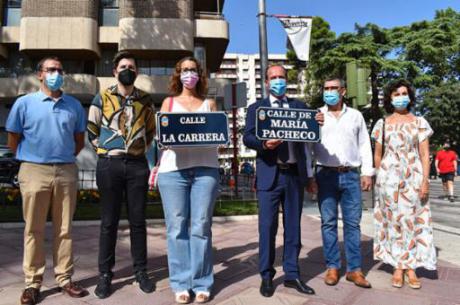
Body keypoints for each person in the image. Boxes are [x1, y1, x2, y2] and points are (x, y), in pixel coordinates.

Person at [6, 56, 88, 305]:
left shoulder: (73, 105)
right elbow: (13, 138)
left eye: (60, 70)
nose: (56, 73)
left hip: (65, 170)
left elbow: (79, 141)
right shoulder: (24, 103)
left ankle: (65, 278)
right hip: (33, 171)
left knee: (65, 229)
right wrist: (32, 157)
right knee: (34, 229)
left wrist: (60, 158)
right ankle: (33, 283)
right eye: (51, 69)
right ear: (40, 74)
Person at [243, 64, 323, 298]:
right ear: (266, 82)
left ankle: (292, 274)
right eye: (273, 77)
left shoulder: (300, 107)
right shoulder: (257, 108)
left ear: (286, 80)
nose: (278, 81)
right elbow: (247, 136)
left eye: (281, 77)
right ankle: (266, 276)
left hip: (293, 176)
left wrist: (317, 120)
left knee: (293, 228)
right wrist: (263, 143)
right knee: (267, 228)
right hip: (270, 174)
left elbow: (309, 141)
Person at [87, 51, 155, 299]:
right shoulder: (102, 97)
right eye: (124, 66)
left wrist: (137, 152)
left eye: (133, 67)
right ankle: (105, 274)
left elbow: (151, 132)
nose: (128, 70)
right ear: (115, 71)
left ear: (137, 72)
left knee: (138, 221)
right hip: (109, 165)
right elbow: (91, 130)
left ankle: (141, 271)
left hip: (137, 166)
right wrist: (106, 152)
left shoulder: (146, 100)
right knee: (109, 222)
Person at [157, 56, 219, 304]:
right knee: (176, 229)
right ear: (177, 74)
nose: (189, 74)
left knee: (201, 227)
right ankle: (181, 283)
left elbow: (218, 136)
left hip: (206, 170)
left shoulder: (210, 104)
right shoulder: (168, 103)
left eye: (193, 70)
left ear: (199, 74)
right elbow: (161, 137)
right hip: (173, 172)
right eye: (184, 70)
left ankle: (202, 281)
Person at [372, 79, 436, 289]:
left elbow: (425, 154)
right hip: (388, 182)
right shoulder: (382, 124)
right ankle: (398, 266)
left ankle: (412, 267)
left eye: (404, 93)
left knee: (413, 220)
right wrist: (382, 178)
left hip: (413, 179)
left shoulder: (420, 122)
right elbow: (378, 155)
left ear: (409, 97)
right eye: (396, 94)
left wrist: (425, 181)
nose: (400, 97)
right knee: (392, 222)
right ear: (390, 98)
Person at [313, 77, 373, 289]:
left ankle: (354, 270)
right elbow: (307, 146)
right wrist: (310, 177)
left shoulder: (356, 116)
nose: (329, 92)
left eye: (333, 88)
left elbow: (364, 144)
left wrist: (367, 172)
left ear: (343, 91)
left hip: (351, 175)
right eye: (326, 88)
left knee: (352, 224)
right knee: (328, 222)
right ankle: (332, 267)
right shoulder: (316, 116)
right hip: (325, 174)